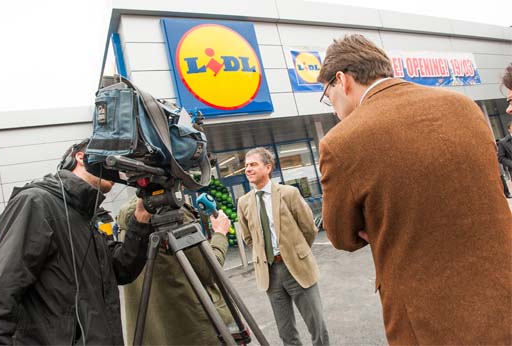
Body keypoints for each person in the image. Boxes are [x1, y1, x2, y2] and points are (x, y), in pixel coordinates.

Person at [317, 34, 512, 344]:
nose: (333, 108)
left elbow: (342, 236)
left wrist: (383, 222)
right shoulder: (464, 106)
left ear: (342, 80)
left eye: (328, 96)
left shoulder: (340, 143)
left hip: (429, 323)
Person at [0, 139, 153, 345]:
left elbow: (121, 269)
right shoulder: (36, 202)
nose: (116, 170)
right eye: (110, 160)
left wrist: (140, 219)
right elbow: (1, 290)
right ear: (80, 157)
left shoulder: (87, 215)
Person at [237, 147, 329, 346]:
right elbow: (248, 238)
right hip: (270, 274)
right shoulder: (243, 202)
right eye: (246, 166)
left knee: (317, 325)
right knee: (286, 332)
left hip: (297, 268)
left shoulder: (289, 193)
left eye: (253, 164)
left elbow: (309, 229)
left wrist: (297, 252)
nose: (248, 169)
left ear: (268, 167)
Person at [118, 196, 234, 345]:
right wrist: (220, 233)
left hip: (151, 336)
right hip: (193, 332)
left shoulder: (131, 217)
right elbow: (209, 270)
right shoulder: (173, 214)